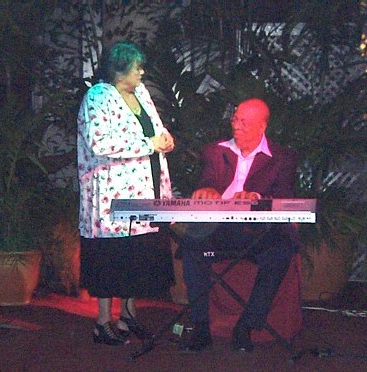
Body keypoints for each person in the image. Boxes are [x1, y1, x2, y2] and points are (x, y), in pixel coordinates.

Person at [177, 98, 299, 353]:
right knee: (191, 246)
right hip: (220, 229)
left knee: (281, 250)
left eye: (245, 122)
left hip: (259, 232)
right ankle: (200, 327)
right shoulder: (215, 151)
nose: (237, 126)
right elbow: (208, 180)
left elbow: (285, 198)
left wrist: (256, 199)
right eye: (235, 119)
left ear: (262, 127)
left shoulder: (281, 158)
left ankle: (246, 326)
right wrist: (208, 190)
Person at [77, 41, 175, 346]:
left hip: (145, 187)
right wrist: (149, 144)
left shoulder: (142, 94)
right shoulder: (97, 97)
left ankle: (128, 315)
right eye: (137, 67)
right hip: (111, 193)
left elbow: (156, 131)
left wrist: (166, 140)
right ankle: (103, 321)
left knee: (137, 254)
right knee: (111, 258)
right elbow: (99, 143)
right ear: (120, 70)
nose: (142, 72)